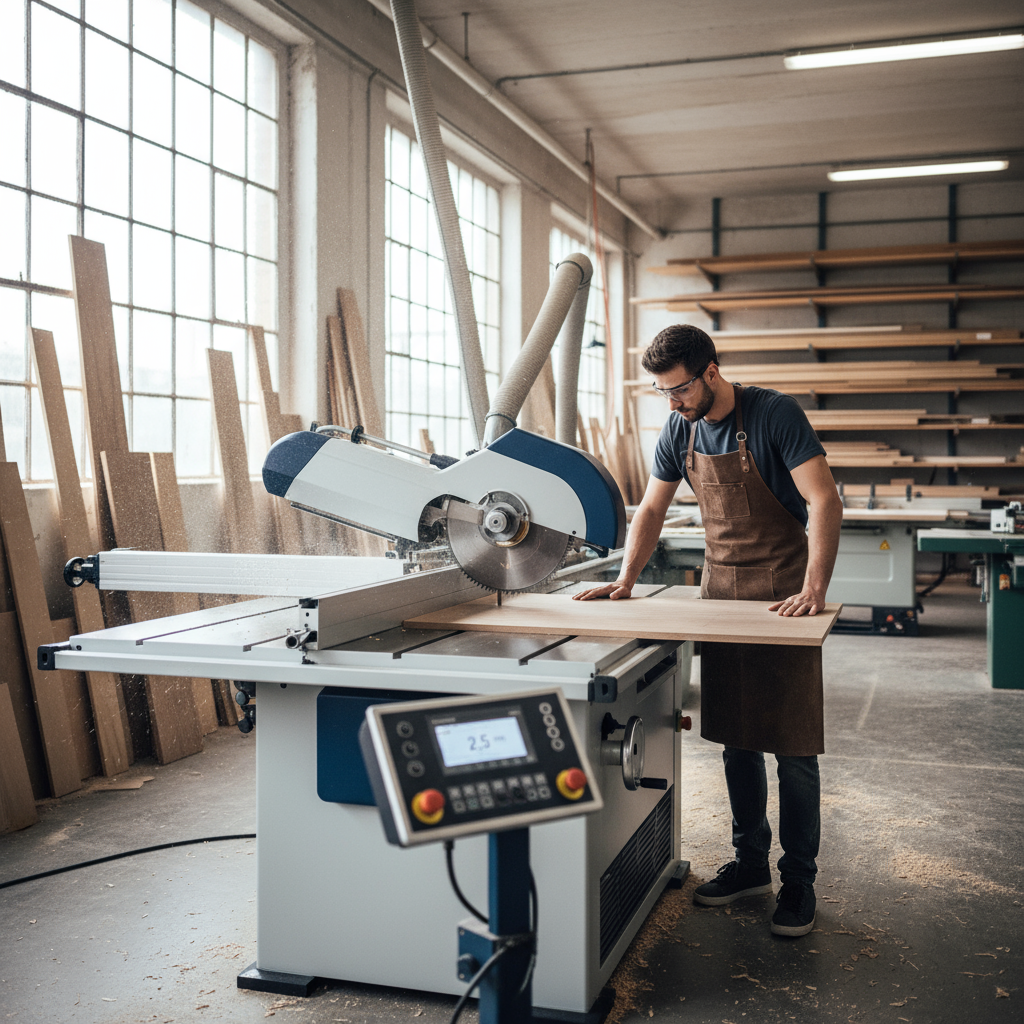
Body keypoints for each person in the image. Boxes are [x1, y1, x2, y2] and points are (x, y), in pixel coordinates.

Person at [573, 323, 843, 937]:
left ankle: (799, 881)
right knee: (737, 738)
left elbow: (824, 501)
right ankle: (750, 864)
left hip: (783, 594)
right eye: (663, 393)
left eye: (680, 390)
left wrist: (814, 590)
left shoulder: (774, 415)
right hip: (721, 593)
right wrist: (625, 580)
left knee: (794, 748)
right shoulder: (679, 427)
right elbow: (652, 506)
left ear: (711, 373)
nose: (672, 403)